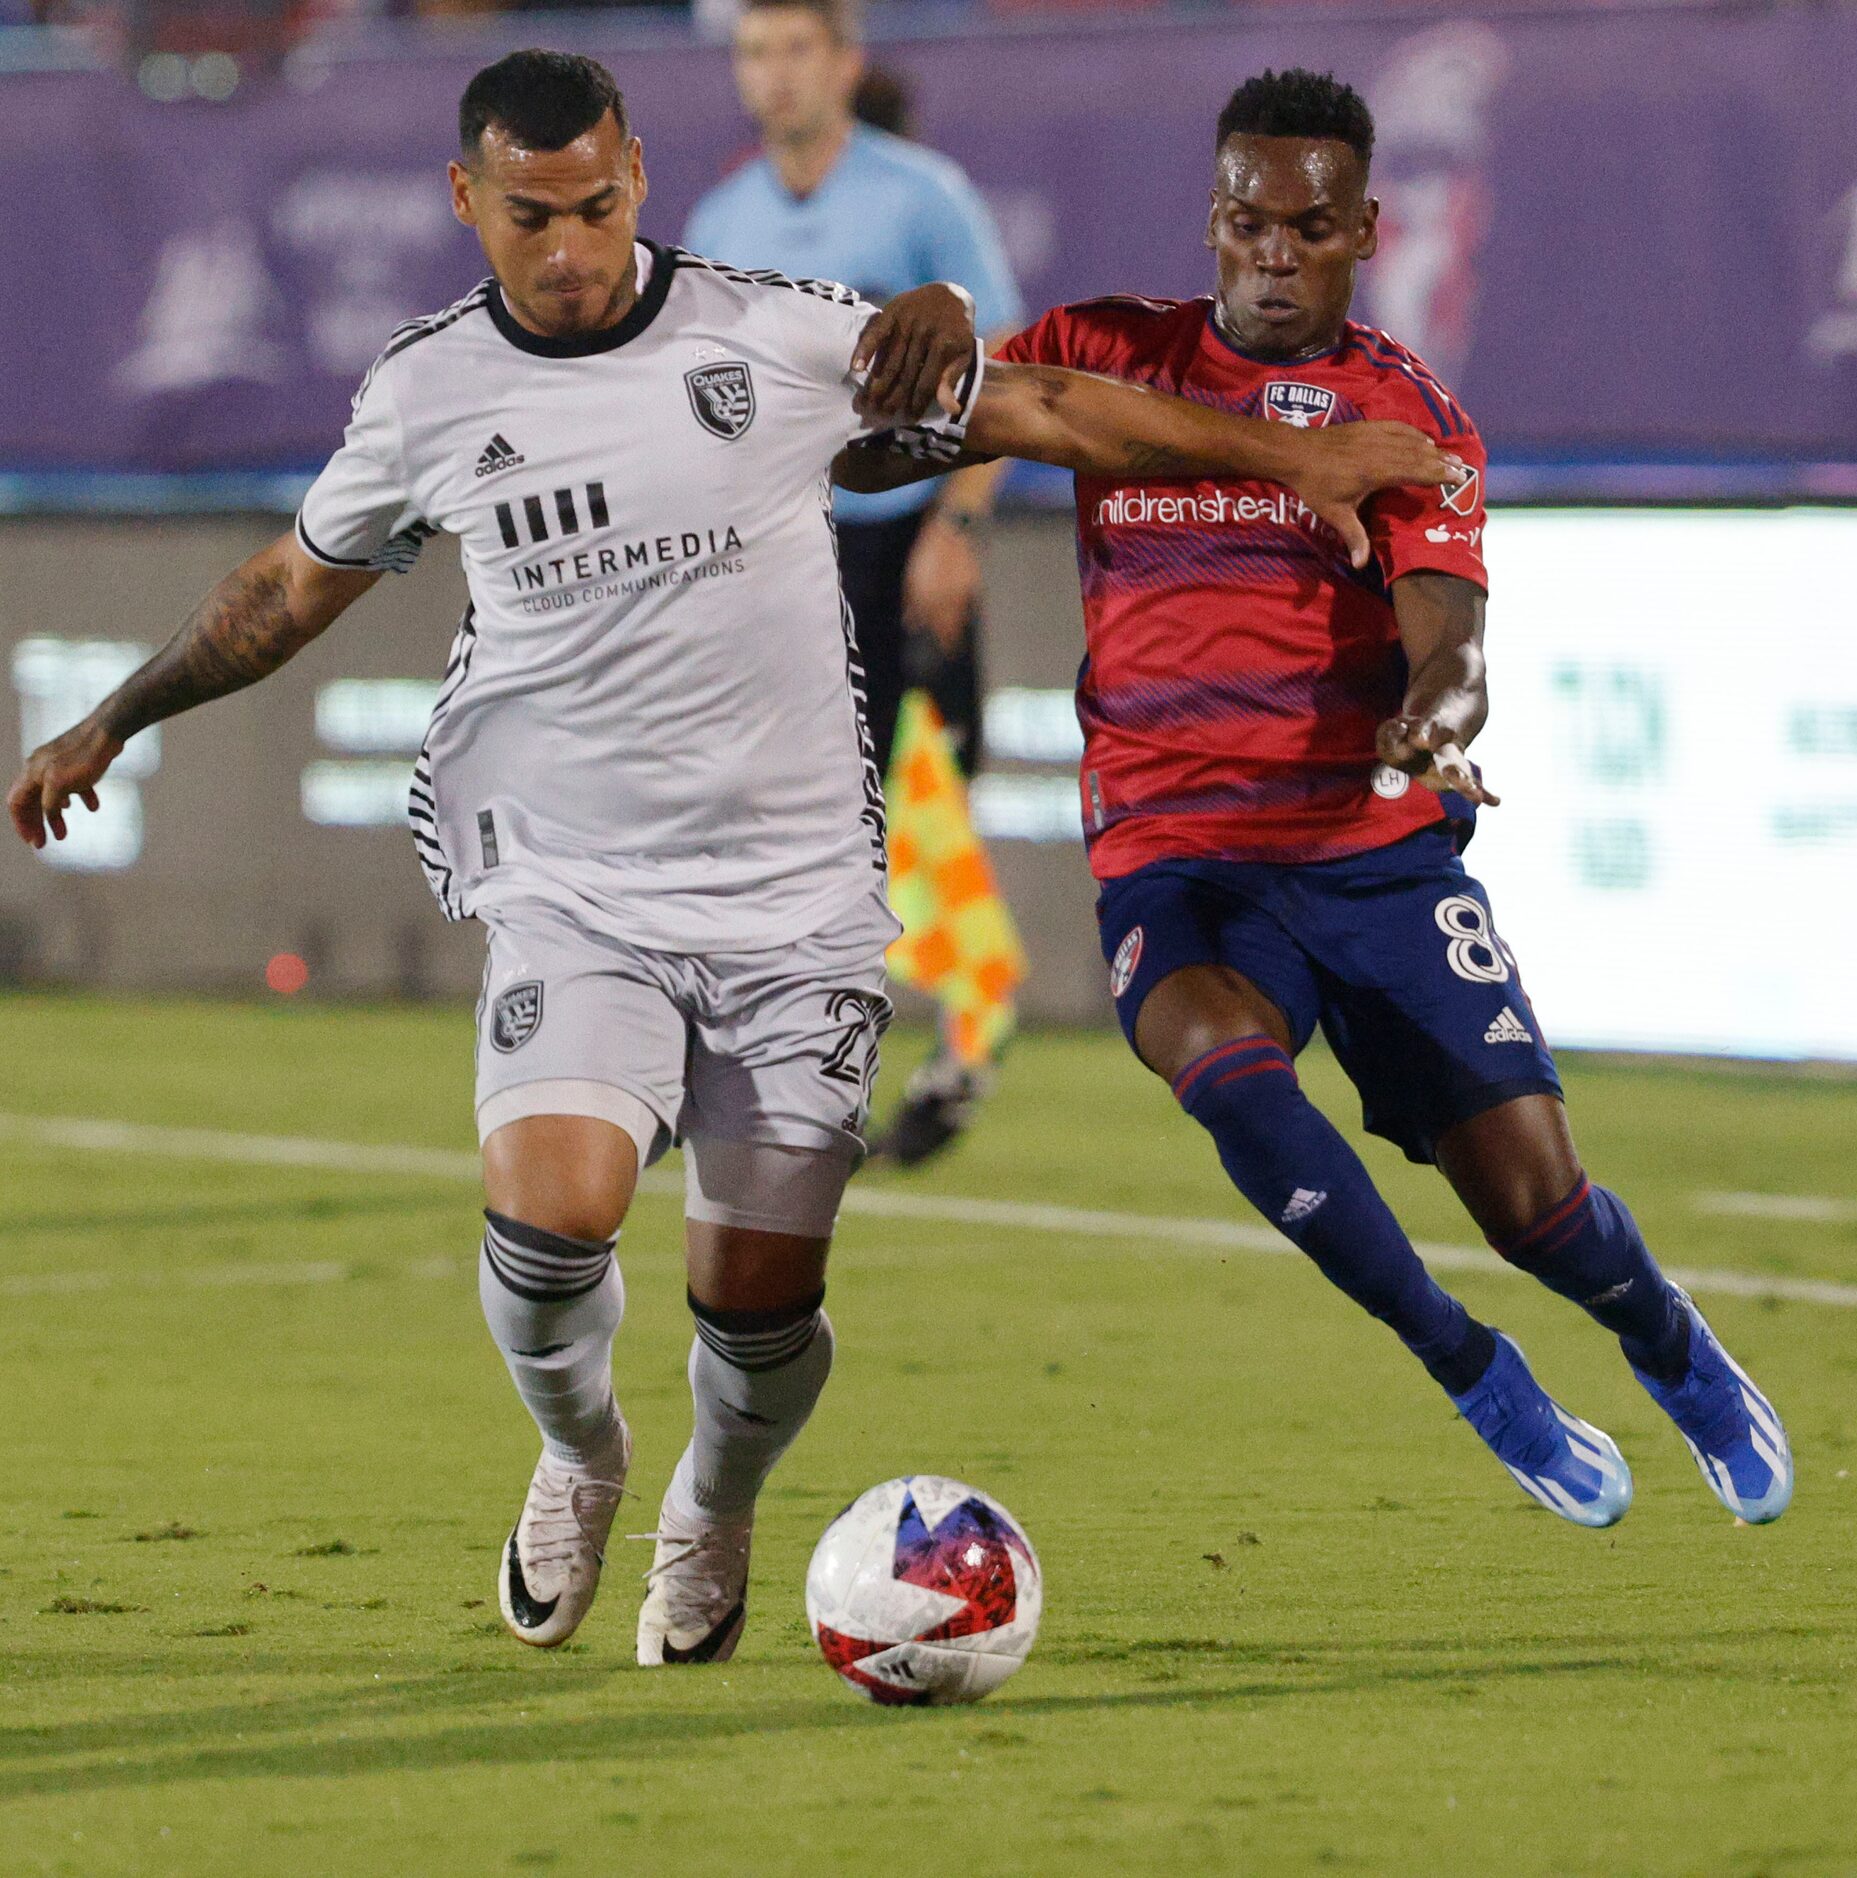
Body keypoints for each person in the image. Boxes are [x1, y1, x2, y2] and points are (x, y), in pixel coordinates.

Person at [9, 49, 1465, 1668]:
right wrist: (119, 715)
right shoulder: (426, 393)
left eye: (595, 207)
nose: (565, 249)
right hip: (570, 880)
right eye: (526, 217)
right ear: (462, 203)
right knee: (555, 1212)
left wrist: (1303, 460)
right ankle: (580, 1451)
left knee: (755, 1303)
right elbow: (284, 588)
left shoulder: (770, 336)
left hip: (793, 906)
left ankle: (714, 1494)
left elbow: (1046, 405)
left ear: (637, 174)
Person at [843, 68, 1793, 1531]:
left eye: (1305, 226)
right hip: (1175, 858)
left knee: (1538, 1207)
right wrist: (945, 319)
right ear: (1211, 221)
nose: (1270, 253)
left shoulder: (1405, 413)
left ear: (1363, 229)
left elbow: (1451, 638)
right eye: (1243, 222)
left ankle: (1671, 1345)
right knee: (1222, 1068)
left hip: (1372, 857)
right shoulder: (1108, 349)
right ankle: (1475, 1373)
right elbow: (889, 443)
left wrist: (1434, 717)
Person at [685, 0, 1024, 1163]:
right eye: (752, 53)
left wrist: (958, 527)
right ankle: (803, 1059)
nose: (771, 75)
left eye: (793, 50)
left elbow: (1002, 367)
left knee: (921, 799)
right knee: (796, 812)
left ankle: (968, 1033)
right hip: (783, 550)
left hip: (904, 529)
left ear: (843, 63)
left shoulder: (920, 196)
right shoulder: (722, 218)